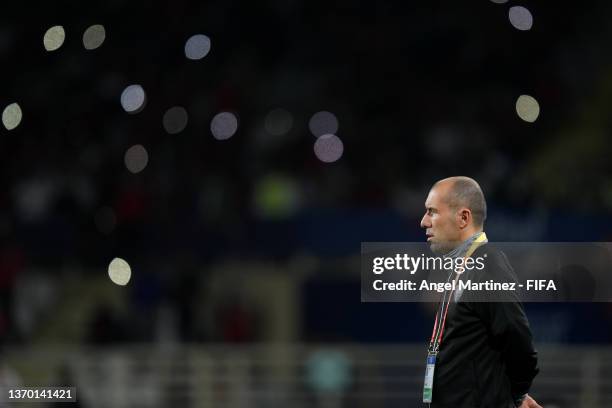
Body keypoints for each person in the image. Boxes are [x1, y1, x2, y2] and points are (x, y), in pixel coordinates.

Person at [420, 176, 541, 408]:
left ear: (463, 217)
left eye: (432, 212)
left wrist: (515, 395)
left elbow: (518, 340)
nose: (424, 222)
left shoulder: (487, 264)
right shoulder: (460, 267)